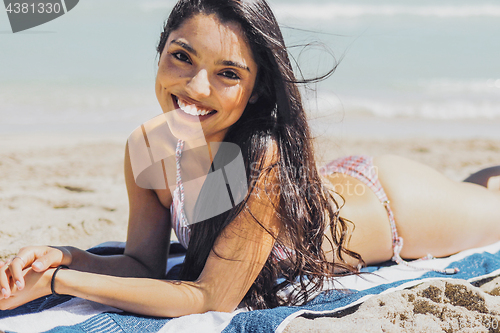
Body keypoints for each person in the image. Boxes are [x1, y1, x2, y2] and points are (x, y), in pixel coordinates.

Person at [1, 0, 500, 316]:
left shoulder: (261, 165)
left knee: (489, 205)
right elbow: (143, 265)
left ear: (257, 91)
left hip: (394, 208)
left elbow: (208, 298)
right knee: (482, 184)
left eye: (228, 73)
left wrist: (58, 281)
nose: (196, 87)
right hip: (329, 187)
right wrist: (67, 256)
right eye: (182, 56)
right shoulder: (146, 147)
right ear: (160, 53)